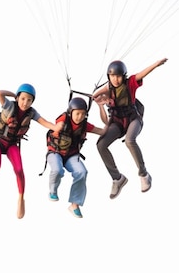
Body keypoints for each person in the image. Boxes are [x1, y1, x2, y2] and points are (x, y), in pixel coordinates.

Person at [0, 83, 63, 219]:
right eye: (22, 99)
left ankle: (21, 198)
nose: (25, 103)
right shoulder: (9, 105)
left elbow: (44, 122)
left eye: (29, 100)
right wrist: (14, 95)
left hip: (12, 144)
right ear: (18, 98)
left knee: (19, 169)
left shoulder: (31, 112)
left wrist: (57, 127)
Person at [93, 58, 168, 199]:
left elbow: (142, 74)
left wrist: (156, 64)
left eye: (118, 76)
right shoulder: (108, 89)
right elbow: (104, 119)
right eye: (112, 76)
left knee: (130, 140)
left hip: (134, 120)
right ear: (108, 77)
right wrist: (99, 103)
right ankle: (117, 179)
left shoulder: (130, 84)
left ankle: (144, 174)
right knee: (101, 144)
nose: (115, 79)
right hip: (118, 123)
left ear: (124, 76)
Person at [44, 96, 105, 218]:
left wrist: (115, 130)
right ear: (70, 112)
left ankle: (74, 204)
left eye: (83, 114)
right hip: (55, 152)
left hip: (71, 156)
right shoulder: (64, 119)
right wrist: (59, 127)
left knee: (82, 172)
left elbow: (100, 131)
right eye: (77, 113)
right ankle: (53, 190)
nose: (80, 117)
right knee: (57, 169)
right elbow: (59, 123)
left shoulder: (84, 125)